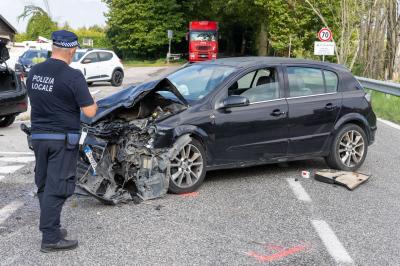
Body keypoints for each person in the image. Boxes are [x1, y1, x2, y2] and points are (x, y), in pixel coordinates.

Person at [26, 30, 97, 253]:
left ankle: (53, 228)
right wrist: (93, 101)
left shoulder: (34, 71)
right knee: (59, 188)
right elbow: (90, 111)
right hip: (61, 141)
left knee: (45, 185)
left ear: (53, 48)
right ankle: (50, 238)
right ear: (72, 50)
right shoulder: (73, 76)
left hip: (38, 138)